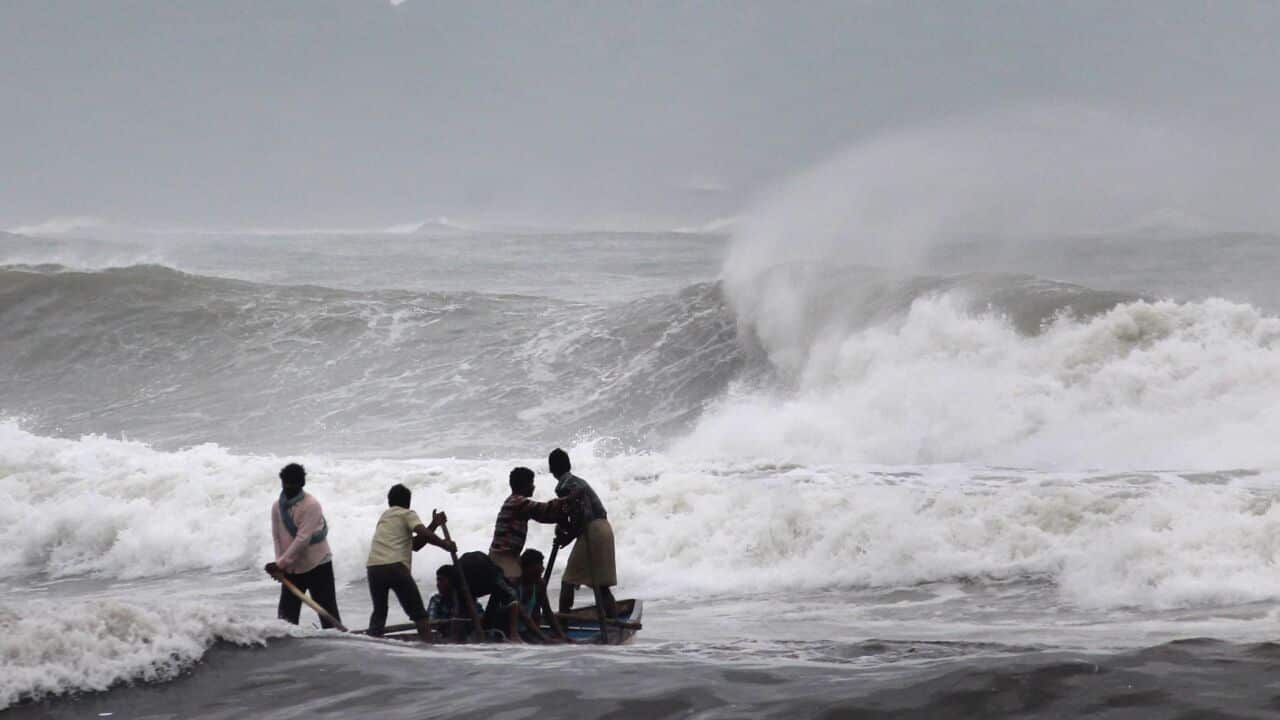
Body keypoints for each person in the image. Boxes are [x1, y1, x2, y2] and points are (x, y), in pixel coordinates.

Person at [365, 483, 455, 641]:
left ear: (389, 502)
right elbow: (422, 532)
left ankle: (372, 645)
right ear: (408, 502)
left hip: (374, 568)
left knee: (379, 612)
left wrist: (434, 524)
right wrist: (444, 544)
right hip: (395, 566)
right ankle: (429, 647)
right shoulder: (406, 513)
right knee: (419, 614)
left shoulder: (385, 517)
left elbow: (416, 545)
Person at [265, 463, 342, 628]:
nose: (288, 489)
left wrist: (280, 564)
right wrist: (280, 565)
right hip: (291, 567)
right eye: (285, 485)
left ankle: (338, 641)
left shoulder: (311, 505)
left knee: (328, 615)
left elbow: (303, 539)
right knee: (286, 620)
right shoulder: (277, 506)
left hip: (317, 565)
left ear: (302, 484)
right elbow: (277, 537)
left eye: (292, 486)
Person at [550, 448, 618, 618]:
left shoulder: (564, 487)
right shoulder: (579, 481)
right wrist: (566, 531)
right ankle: (613, 621)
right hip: (604, 529)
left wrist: (566, 538)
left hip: (592, 531)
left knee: (568, 580)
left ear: (552, 469)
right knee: (600, 585)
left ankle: (563, 622)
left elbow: (582, 518)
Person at [488, 466, 574, 584]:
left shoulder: (514, 501)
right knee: (512, 589)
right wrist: (570, 498)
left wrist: (560, 517)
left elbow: (543, 516)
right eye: (532, 483)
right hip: (504, 558)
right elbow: (545, 509)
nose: (534, 486)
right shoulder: (518, 502)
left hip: (506, 556)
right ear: (525, 485)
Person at [426, 565, 466, 642]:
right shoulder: (436, 600)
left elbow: (481, 619)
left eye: (441, 580)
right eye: (437, 580)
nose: (438, 584)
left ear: (452, 582)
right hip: (443, 638)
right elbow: (430, 621)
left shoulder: (467, 600)